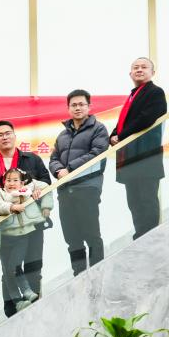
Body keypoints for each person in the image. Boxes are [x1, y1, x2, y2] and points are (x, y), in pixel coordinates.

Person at [49, 90, 109, 275]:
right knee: (72, 238)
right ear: (68, 108)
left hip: (87, 188)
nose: (77, 108)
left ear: (89, 106)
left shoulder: (98, 129)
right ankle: (79, 276)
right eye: (73, 105)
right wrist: (58, 170)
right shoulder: (62, 135)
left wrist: (70, 168)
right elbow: (53, 158)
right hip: (65, 191)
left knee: (91, 234)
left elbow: (97, 152)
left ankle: (97, 274)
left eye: (81, 104)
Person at [112, 57, 168, 239]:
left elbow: (146, 118)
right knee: (134, 202)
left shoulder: (155, 92)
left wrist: (120, 136)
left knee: (147, 199)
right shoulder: (132, 95)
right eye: (135, 67)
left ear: (153, 72)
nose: (139, 70)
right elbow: (124, 122)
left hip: (146, 156)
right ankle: (140, 236)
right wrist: (113, 135)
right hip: (130, 158)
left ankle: (150, 237)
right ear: (130, 73)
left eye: (144, 67)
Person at [0, 167, 54, 315]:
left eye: (15, 180)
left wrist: (46, 206)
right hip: (6, 237)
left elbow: (46, 187)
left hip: (24, 235)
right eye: (8, 180)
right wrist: (11, 206)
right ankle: (18, 300)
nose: (11, 183)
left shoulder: (28, 188)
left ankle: (26, 292)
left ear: (22, 182)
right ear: (4, 182)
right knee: (8, 270)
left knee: (14, 266)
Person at [0, 120, 52, 193]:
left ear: (14, 137)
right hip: (4, 200)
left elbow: (46, 180)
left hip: (31, 199)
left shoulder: (33, 159)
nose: (4, 137)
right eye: (0, 135)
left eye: (8, 133)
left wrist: (36, 190)